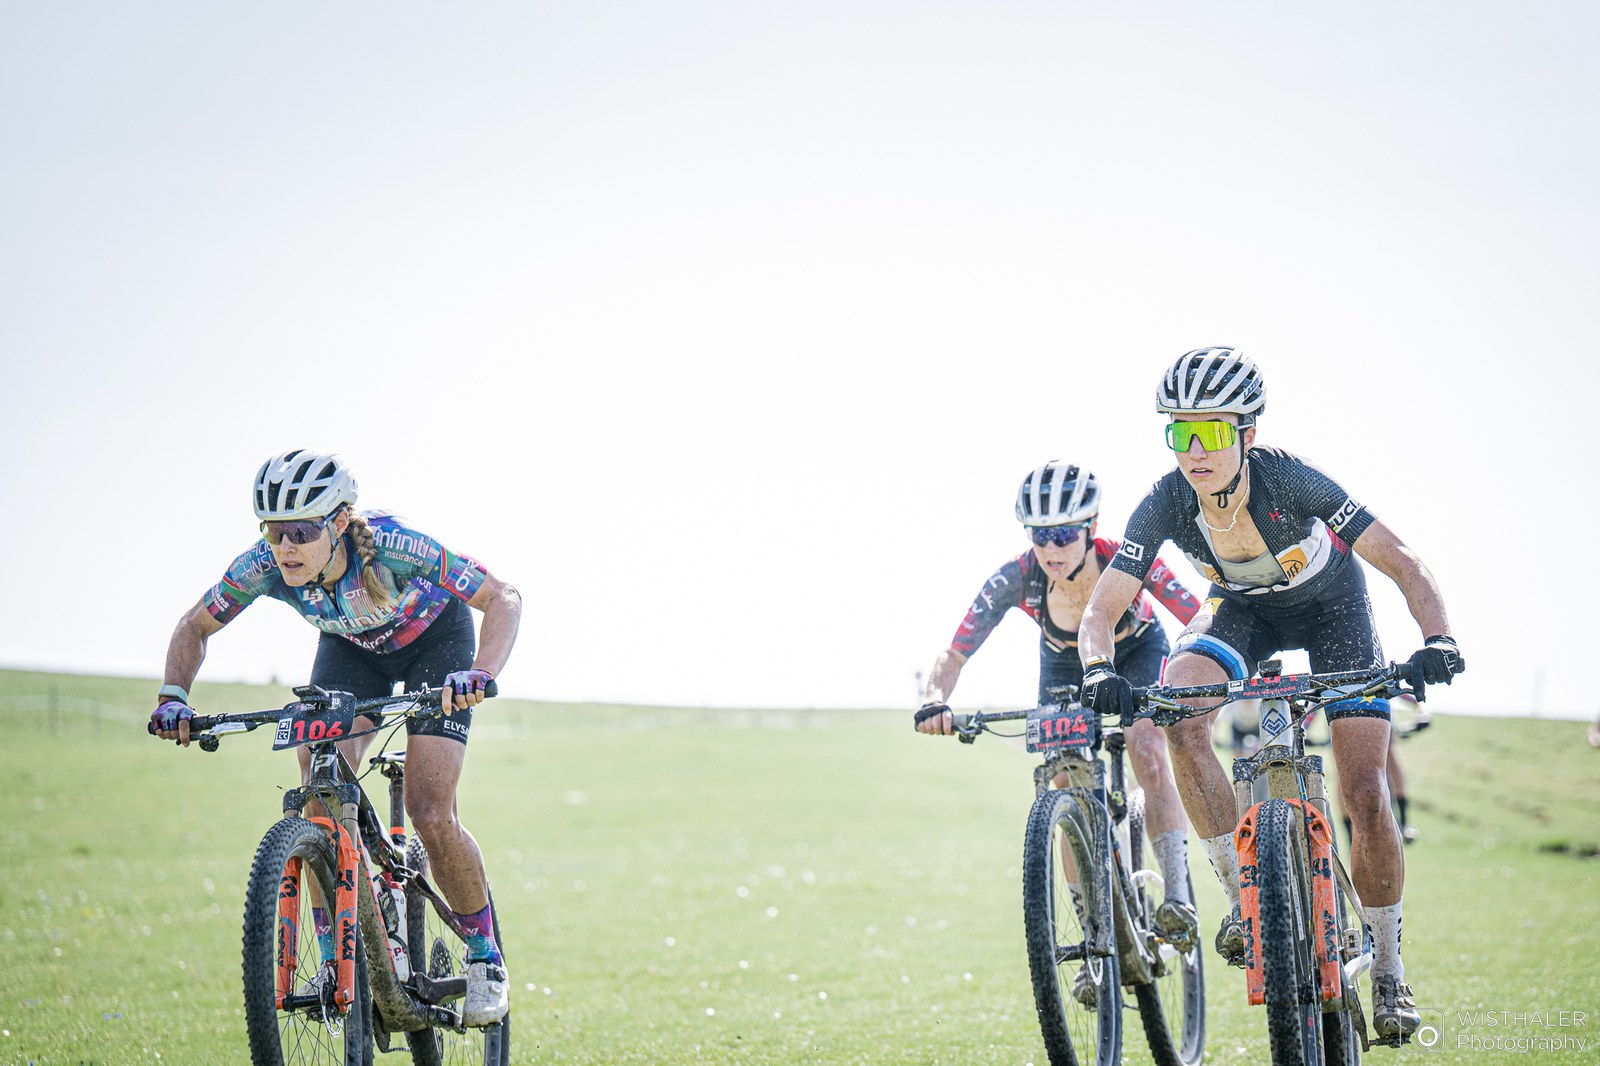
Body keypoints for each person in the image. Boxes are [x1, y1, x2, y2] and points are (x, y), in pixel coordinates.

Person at [1076, 348, 1464, 1043]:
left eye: (1211, 432)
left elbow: (1402, 560)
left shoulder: (1292, 479)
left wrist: (1438, 638)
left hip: (1334, 612)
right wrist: (1099, 668)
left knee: (1365, 792)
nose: (1195, 451)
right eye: (1180, 432)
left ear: (1247, 433)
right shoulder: (1165, 501)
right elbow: (1102, 608)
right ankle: (1244, 900)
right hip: (1241, 612)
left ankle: (1389, 970)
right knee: (1178, 713)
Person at [149, 449, 523, 1026]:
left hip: (435, 643)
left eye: (301, 532)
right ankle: (336, 956)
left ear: (340, 522)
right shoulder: (263, 566)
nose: (285, 547)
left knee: (429, 807)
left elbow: (503, 597)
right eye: (273, 532)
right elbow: (194, 625)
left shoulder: (396, 547)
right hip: (350, 651)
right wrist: (173, 696)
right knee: (318, 788)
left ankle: (484, 955)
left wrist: (480, 673)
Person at [915, 461, 1205, 968]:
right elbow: (955, 651)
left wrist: (1210, 670)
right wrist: (934, 698)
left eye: (1065, 534)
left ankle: (1178, 897)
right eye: (1039, 535)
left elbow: (1196, 614)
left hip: (1135, 651)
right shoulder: (1017, 576)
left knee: (1146, 747)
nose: (1051, 549)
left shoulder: (1124, 557)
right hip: (1064, 663)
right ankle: (1091, 935)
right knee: (1065, 781)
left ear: (1090, 529)